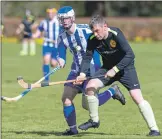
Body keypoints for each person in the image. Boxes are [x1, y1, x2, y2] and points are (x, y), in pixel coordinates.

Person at [75, 14, 160, 136]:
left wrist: (115, 70)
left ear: (105, 26)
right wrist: (82, 74)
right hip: (107, 69)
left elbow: (130, 55)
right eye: (93, 31)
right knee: (90, 87)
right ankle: (94, 121)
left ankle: (154, 129)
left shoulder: (115, 33)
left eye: (97, 30)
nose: (96, 33)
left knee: (136, 97)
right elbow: (87, 57)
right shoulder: (92, 39)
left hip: (126, 68)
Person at [53, 6, 126, 136]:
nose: (64, 21)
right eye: (61, 19)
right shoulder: (62, 36)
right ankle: (73, 130)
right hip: (76, 70)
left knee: (88, 105)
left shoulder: (86, 30)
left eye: (67, 18)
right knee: (66, 98)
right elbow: (61, 53)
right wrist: (61, 60)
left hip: (93, 69)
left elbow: (104, 37)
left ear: (73, 18)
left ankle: (112, 91)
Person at [31, 8, 59, 81]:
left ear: (55, 14)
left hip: (56, 45)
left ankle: (53, 65)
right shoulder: (44, 22)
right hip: (46, 44)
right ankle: (46, 79)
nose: (50, 14)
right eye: (48, 13)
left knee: (53, 64)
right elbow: (39, 31)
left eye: (52, 13)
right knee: (46, 60)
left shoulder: (59, 22)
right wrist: (35, 35)